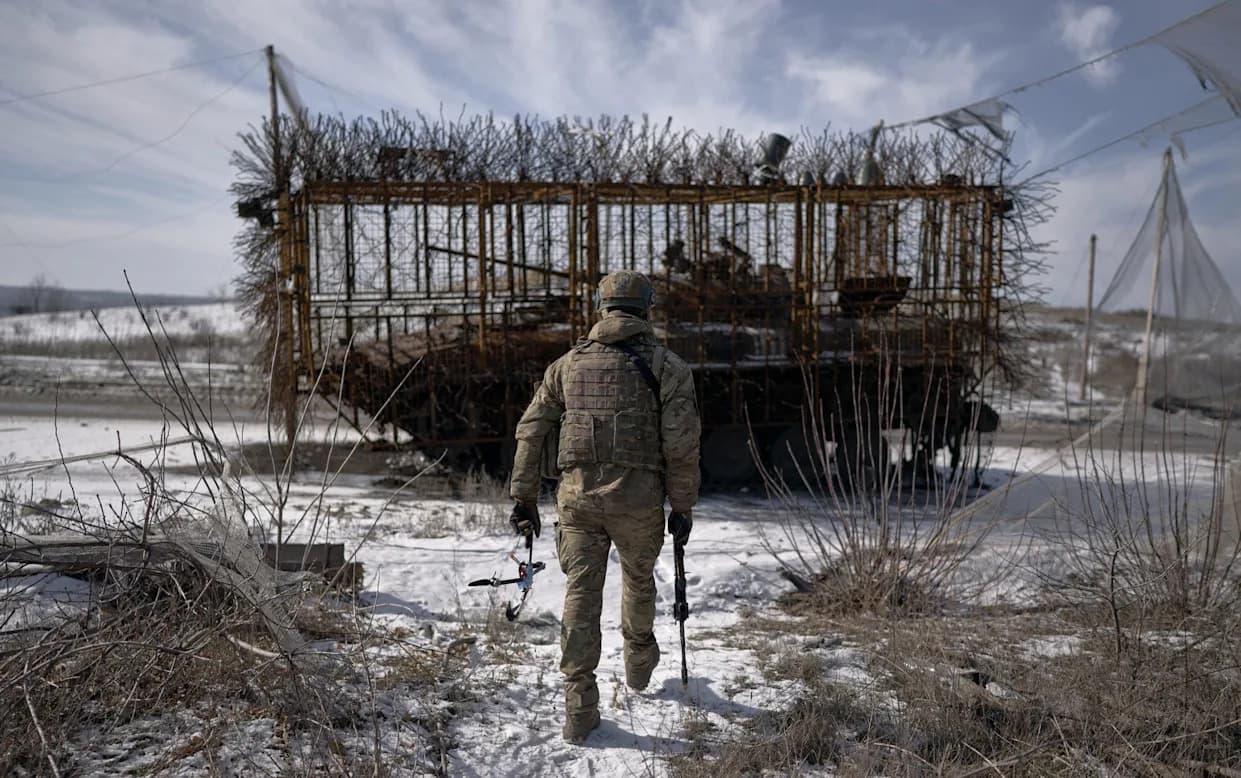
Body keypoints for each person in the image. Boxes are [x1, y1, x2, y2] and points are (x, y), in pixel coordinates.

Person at [508, 269, 701, 744]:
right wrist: (683, 507)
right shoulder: (668, 367)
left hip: (577, 502)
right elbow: (681, 446)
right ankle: (638, 663)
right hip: (638, 504)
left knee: (581, 594)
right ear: (646, 308)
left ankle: (579, 708)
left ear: (600, 307)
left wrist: (524, 497)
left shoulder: (566, 365)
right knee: (638, 581)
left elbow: (531, 431)